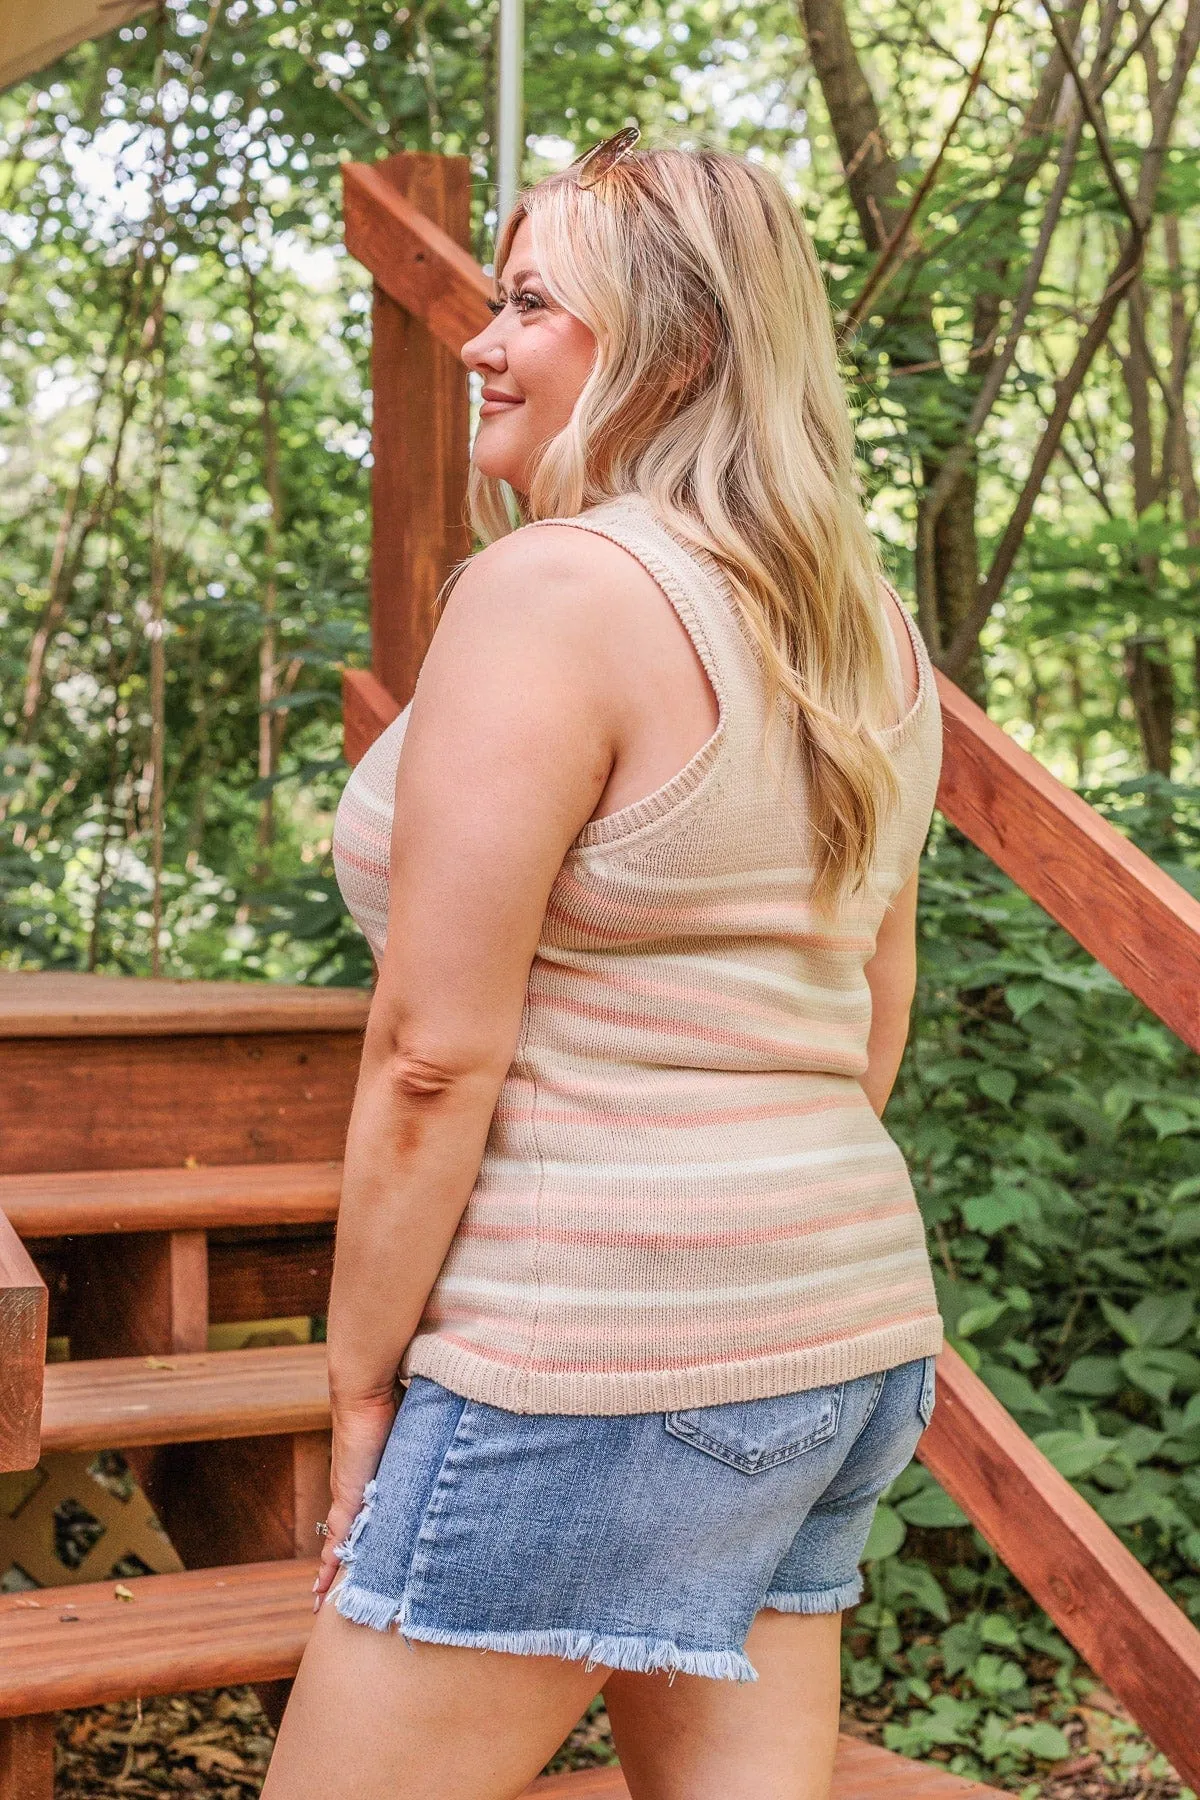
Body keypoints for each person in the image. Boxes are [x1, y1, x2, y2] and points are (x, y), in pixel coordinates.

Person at [263, 129, 943, 1800]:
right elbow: (873, 1008)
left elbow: (432, 1053)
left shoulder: (554, 591)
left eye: (532, 307)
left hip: (593, 1348)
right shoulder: (864, 624)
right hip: (840, 1322)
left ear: (677, 349)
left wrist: (358, 1386)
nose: (481, 341)